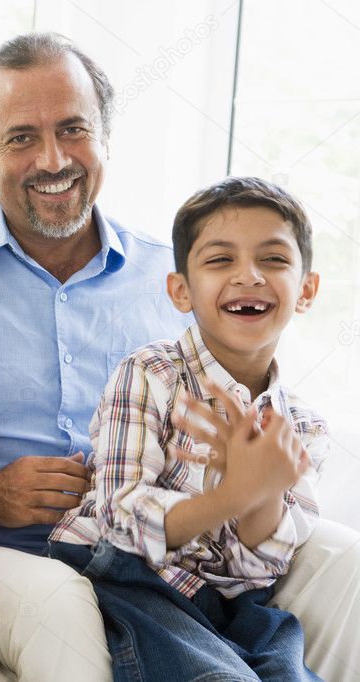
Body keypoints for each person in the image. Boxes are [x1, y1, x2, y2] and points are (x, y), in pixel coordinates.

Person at [0, 32, 360, 681]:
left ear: (104, 137)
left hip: (186, 563)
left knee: (344, 564)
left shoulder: (176, 274)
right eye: (20, 137)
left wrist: (249, 493)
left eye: (73, 129)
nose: (52, 158)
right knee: (67, 608)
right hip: (14, 551)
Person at [50, 177, 323, 681]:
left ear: (305, 290)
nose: (250, 276)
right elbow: (119, 517)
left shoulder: (301, 427)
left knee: (287, 663)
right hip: (126, 575)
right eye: (220, 260)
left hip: (228, 601)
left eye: (274, 260)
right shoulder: (150, 374)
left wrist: (260, 495)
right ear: (181, 290)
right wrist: (229, 496)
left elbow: (258, 571)